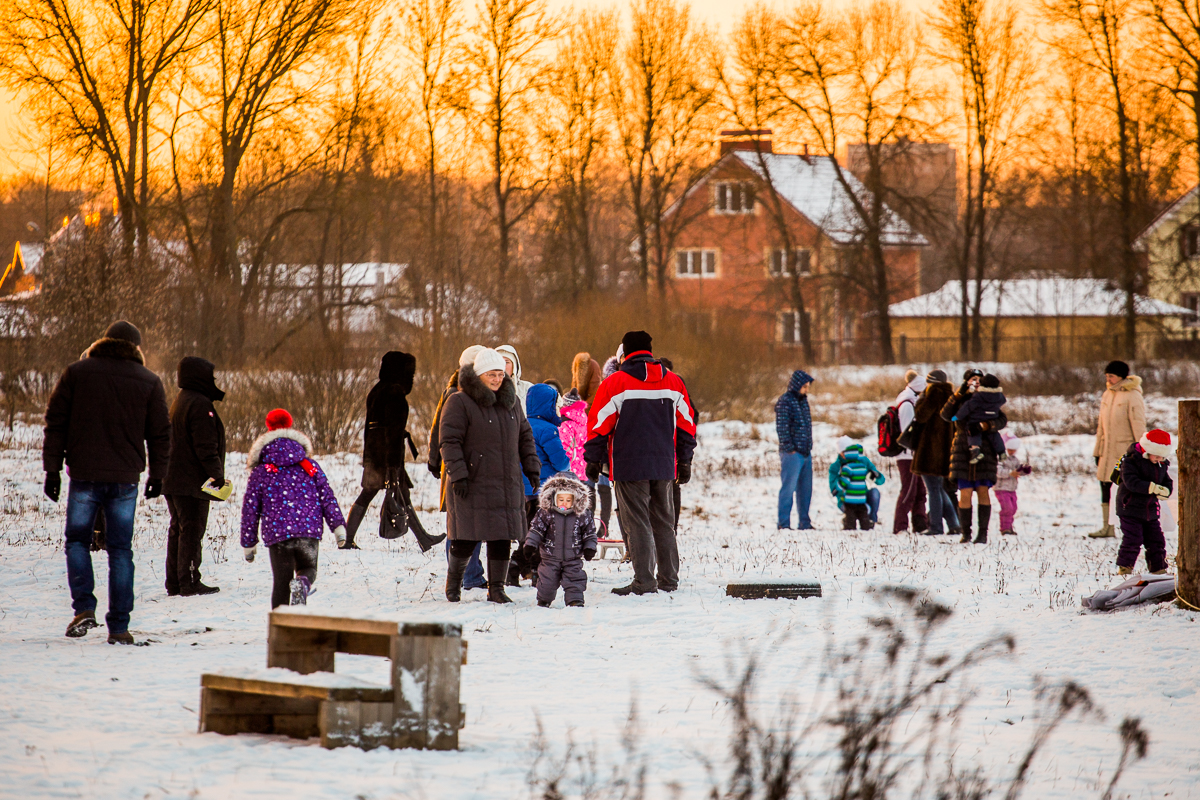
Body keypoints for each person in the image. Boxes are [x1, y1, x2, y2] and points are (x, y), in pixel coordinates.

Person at [43, 320, 170, 645]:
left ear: (104, 341)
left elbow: (55, 422)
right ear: (135, 347)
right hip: (125, 478)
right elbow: (159, 434)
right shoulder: (149, 381)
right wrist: (158, 474)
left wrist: (52, 470)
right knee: (120, 549)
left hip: (84, 473)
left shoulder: (77, 373)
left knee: (76, 541)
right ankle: (119, 626)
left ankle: (84, 607)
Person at [585, 331, 696, 596]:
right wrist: (685, 460)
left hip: (628, 464)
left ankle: (644, 581)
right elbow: (687, 425)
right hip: (664, 464)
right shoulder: (673, 382)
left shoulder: (615, 383)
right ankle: (668, 579)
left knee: (637, 522)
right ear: (649, 350)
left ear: (625, 352)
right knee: (664, 522)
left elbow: (598, 425)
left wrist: (592, 459)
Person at [440, 347, 540, 603]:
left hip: (506, 482)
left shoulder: (512, 402)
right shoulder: (460, 401)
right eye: (491, 375)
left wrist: (532, 466)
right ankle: (454, 585)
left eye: (500, 374)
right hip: (473, 482)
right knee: (465, 537)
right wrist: (459, 474)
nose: (497, 379)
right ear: (478, 375)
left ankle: (497, 589)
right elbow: (449, 441)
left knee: (502, 537)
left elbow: (525, 436)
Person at [241, 410, 346, 607]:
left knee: (281, 583)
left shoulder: (261, 471)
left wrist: (249, 543)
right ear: (290, 426)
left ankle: (280, 632)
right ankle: (303, 584)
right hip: (308, 530)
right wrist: (338, 527)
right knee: (308, 569)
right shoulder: (308, 465)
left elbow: (250, 508)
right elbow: (326, 496)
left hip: (278, 534)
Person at [344, 351, 444, 552]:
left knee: (391, 494)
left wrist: (371, 457)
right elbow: (393, 432)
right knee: (390, 493)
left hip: (375, 454)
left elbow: (372, 430)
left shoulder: (377, 390)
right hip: (388, 456)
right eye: (409, 372)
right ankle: (346, 540)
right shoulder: (394, 394)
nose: (412, 377)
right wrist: (393, 464)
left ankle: (423, 539)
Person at [163, 356, 227, 597]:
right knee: (191, 530)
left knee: (178, 529)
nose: (214, 382)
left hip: (175, 479)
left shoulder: (183, 400)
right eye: (210, 377)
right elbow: (205, 446)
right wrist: (217, 475)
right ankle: (189, 581)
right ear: (198, 377)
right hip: (190, 482)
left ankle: (176, 582)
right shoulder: (199, 405)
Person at [428, 345, 487, 591]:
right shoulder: (456, 394)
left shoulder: (467, 391)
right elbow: (440, 432)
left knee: (469, 521)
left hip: (469, 465)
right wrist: (435, 461)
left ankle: (469, 573)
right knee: (460, 522)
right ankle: (467, 574)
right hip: (457, 467)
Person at [509, 382, 572, 586]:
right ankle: (526, 570)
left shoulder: (521, 425)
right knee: (543, 534)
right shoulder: (549, 430)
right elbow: (561, 462)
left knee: (532, 532)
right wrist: (568, 450)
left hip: (524, 489)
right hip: (544, 491)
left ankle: (524, 570)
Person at [941, 369, 1007, 544]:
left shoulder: (990, 399)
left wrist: (986, 425)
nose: (976, 382)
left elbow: (1002, 420)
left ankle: (983, 533)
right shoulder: (962, 399)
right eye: (972, 379)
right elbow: (946, 415)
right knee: (965, 492)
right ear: (966, 382)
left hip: (985, 449)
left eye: (979, 379)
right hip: (962, 448)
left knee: (983, 490)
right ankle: (966, 532)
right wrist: (960, 391)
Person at [1089, 360, 1146, 539]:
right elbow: (1101, 427)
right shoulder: (1107, 394)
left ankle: (1131, 528)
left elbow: (1138, 424)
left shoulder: (1132, 395)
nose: (1108, 379)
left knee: (1125, 490)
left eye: (1111, 376)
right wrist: (1098, 451)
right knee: (1105, 485)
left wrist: (1141, 450)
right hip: (1107, 450)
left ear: (1121, 376)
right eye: (1106, 376)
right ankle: (1107, 527)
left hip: (1125, 451)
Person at [523, 472, 598, 607]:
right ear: (553, 498)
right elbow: (536, 530)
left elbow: (590, 533)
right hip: (550, 557)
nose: (564, 503)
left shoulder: (582, 515)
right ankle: (544, 600)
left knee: (575, 579)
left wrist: (589, 547)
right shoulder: (546, 513)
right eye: (561, 499)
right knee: (547, 580)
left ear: (576, 499)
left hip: (573, 557)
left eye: (568, 500)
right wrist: (530, 544)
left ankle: (575, 600)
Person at [1114, 429, 1175, 575]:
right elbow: (1131, 482)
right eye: (1157, 455)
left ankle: (1159, 569)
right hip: (1129, 508)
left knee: (1156, 540)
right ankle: (1125, 568)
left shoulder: (1161, 464)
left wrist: (1166, 490)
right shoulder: (1131, 461)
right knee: (1133, 539)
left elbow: (1167, 480)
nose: (1159, 459)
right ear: (1147, 449)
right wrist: (1152, 487)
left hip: (1150, 510)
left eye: (1162, 456)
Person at [909, 369, 962, 538]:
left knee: (933, 489)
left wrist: (921, 400)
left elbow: (921, 415)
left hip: (929, 451)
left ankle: (936, 526)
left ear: (931, 382)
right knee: (939, 488)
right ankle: (954, 524)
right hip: (946, 450)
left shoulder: (932, 395)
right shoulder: (952, 397)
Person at [775, 370, 814, 530]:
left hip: (805, 452)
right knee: (788, 489)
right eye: (804, 386)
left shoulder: (803, 401)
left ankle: (805, 523)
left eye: (808, 386)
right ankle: (784, 524)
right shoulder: (785, 401)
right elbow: (782, 427)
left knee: (805, 490)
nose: (807, 389)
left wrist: (808, 446)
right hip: (792, 454)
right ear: (797, 385)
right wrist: (789, 448)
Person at [891, 370, 928, 535]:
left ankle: (920, 525)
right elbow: (908, 431)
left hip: (915, 454)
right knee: (909, 491)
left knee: (920, 491)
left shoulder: (912, 401)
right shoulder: (907, 404)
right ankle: (900, 526)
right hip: (908, 455)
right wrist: (914, 449)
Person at [829, 437, 885, 530]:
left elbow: (881, 480)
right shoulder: (836, 466)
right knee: (851, 518)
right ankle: (849, 519)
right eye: (844, 452)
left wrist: (876, 475)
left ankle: (871, 520)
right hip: (846, 500)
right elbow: (834, 488)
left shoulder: (863, 461)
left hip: (862, 497)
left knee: (875, 492)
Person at [952, 373, 1007, 464]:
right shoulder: (999, 396)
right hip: (992, 417)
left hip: (976, 419)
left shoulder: (978, 396)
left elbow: (967, 407)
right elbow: (1003, 401)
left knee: (973, 433)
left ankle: (975, 450)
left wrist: (957, 416)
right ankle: (1001, 452)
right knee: (995, 435)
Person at [994, 432, 1031, 536]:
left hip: (1012, 488)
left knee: (1013, 508)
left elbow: (1017, 470)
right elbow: (997, 471)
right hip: (1001, 488)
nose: (1012, 452)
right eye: (1009, 449)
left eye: (1014, 450)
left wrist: (1024, 471)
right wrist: (1010, 473)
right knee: (1007, 508)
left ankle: (1009, 527)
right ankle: (1004, 528)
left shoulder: (1015, 459)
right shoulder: (1000, 458)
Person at [496, 344, 534, 412]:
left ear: (514, 366)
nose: (503, 366)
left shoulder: (528, 388)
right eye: (500, 362)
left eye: (506, 362)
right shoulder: (488, 390)